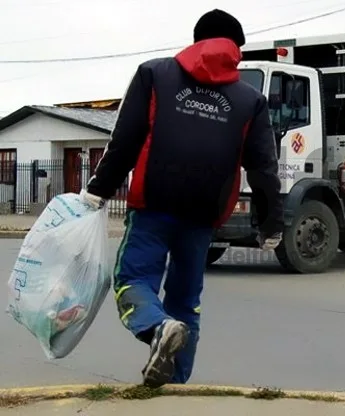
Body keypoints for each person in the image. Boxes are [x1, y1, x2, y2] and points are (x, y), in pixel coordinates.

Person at [80, 9, 284, 388]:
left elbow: (126, 140)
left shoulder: (154, 74)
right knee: (186, 298)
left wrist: (98, 190)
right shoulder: (249, 99)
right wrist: (270, 223)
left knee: (133, 278)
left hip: (154, 203)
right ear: (235, 49)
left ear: (196, 40)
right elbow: (264, 168)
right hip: (204, 214)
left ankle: (156, 327)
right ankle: (175, 386)